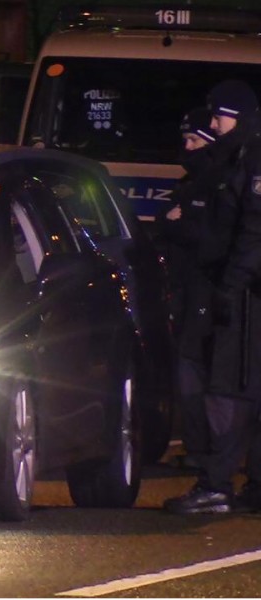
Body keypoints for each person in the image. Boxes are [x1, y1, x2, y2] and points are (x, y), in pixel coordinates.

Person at [164, 79, 261, 515]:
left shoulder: (251, 158)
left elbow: (253, 231)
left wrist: (231, 285)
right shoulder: (240, 156)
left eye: (220, 116)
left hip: (245, 296)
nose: (215, 124)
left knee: (230, 390)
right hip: (243, 289)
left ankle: (216, 485)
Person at [154, 107, 218, 470]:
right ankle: (200, 447)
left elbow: (201, 235)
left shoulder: (214, 185)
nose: (186, 147)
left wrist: (174, 223)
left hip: (203, 294)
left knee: (195, 372)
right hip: (186, 292)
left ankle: (203, 451)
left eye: (193, 140)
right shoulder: (190, 185)